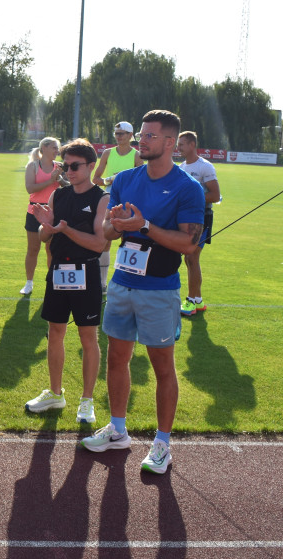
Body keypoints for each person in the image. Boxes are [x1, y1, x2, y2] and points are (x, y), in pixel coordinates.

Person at [80, 110, 204, 476]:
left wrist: (145, 226)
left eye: (149, 136)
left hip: (160, 290)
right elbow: (105, 229)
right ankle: (118, 429)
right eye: (141, 136)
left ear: (170, 143)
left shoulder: (187, 188)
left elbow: (188, 243)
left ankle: (162, 443)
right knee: (117, 358)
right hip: (121, 284)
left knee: (162, 366)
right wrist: (116, 226)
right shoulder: (125, 180)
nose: (141, 141)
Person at [26, 138, 108, 422]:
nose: (68, 171)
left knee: (88, 337)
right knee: (55, 334)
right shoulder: (58, 196)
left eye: (75, 166)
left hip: (86, 272)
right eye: (65, 166)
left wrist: (65, 229)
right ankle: (56, 393)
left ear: (90, 166)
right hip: (59, 271)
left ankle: (87, 400)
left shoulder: (102, 198)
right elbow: (44, 236)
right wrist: (47, 227)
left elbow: (100, 244)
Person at [92, 121, 144, 291]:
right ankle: (102, 283)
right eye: (116, 133)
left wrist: (123, 180)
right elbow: (96, 179)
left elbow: (142, 180)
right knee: (105, 239)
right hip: (109, 199)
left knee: (128, 240)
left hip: (129, 201)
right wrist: (110, 180)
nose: (118, 136)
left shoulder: (136, 156)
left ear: (131, 135)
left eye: (122, 133)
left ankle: (127, 280)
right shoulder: (108, 153)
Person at [177, 131, 220, 317]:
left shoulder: (205, 167)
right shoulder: (181, 166)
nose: (178, 148)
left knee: (192, 258)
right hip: (186, 218)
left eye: (182, 144)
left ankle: (191, 302)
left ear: (192, 145)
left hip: (202, 217)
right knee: (189, 258)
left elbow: (215, 195)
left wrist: (193, 199)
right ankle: (198, 300)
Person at [22, 137, 64, 295]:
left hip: (54, 212)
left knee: (51, 249)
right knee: (33, 249)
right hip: (35, 211)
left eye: (57, 148)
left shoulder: (59, 167)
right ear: (44, 148)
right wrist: (50, 180)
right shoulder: (33, 166)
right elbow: (30, 188)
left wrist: (60, 179)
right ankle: (29, 283)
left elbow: (68, 186)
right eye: (54, 147)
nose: (57, 151)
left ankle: (51, 281)